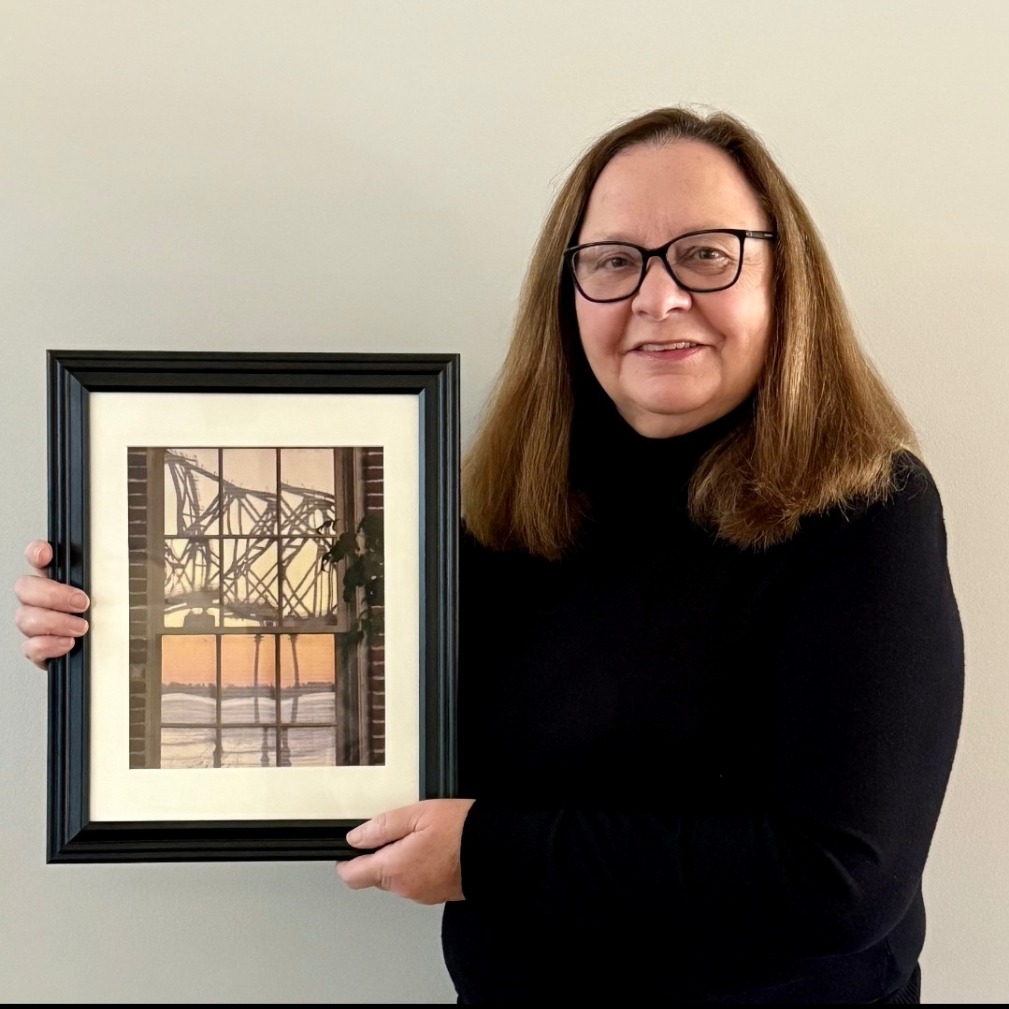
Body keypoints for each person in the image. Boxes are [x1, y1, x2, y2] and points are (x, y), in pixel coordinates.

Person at [15, 106, 963, 1003]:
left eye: (707, 255)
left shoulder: (863, 512)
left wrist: (488, 854)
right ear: (569, 291)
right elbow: (359, 734)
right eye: (613, 261)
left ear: (783, 278)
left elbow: (841, 881)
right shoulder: (499, 516)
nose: (659, 295)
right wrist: (117, 621)